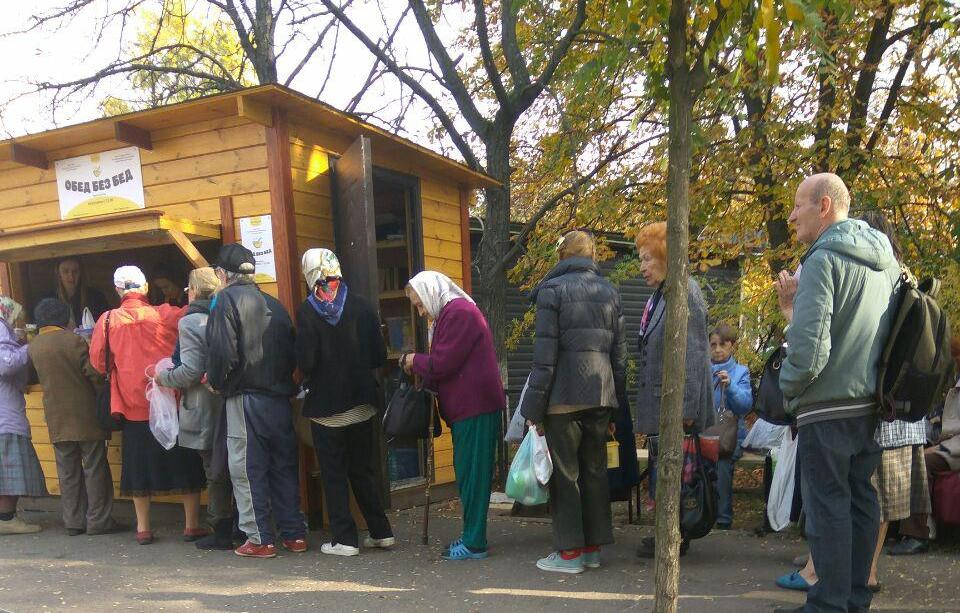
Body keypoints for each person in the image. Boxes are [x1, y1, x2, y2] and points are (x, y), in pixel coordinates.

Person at [772, 173, 899, 613]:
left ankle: (828, 605)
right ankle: (853, 601)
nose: (792, 216)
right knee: (861, 503)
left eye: (798, 205)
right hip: (869, 404)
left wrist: (788, 390)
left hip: (825, 407)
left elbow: (809, 352)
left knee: (828, 508)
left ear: (823, 206)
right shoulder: (886, 262)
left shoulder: (823, 260)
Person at [518, 229, 628, 574]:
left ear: (562, 255)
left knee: (566, 476)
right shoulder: (609, 291)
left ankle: (569, 555)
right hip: (601, 394)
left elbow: (545, 357)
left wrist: (532, 410)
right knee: (595, 472)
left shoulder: (551, 290)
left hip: (562, 398)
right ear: (592, 255)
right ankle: (593, 550)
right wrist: (617, 402)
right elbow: (620, 355)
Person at [89, 266, 206, 545]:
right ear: (144, 288)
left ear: (118, 290)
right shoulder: (166, 313)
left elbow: (99, 362)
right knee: (185, 462)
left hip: (132, 407)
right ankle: (191, 525)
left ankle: (143, 529)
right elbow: (196, 321)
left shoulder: (107, 320)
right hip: (171, 401)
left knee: (137, 467)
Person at [205, 243, 306, 559]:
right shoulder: (275, 304)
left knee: (247, 469)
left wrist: (217, 382)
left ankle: (259, 538)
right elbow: (292, 353)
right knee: (283, 467)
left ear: (222, 274)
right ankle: (294, 534)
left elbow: (222, 351)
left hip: (245, 398)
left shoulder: (225, 301)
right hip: (280, 399)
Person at [295, 248, 394, 557]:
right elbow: (378, 356)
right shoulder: (362, 305)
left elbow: (306, 361)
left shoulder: (308, 311)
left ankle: (345, 539)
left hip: (327, 409)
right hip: (363, 403)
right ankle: (381, 532)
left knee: (334, 473)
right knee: (363, 470)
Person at [401, 271, 503, 560]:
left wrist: (414, 361)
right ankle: (472, 535)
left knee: (473, 473)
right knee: (469, 471)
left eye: (420, 304)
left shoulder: (458, 313)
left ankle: (474, 542)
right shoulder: (454, 312)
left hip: (474, 405)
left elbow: (444, 362)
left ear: (430, 293)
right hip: (472, 405)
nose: (421, 312)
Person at [633, 221, 715, 559]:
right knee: (665, 471)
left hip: (675, 407)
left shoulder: (684, 292)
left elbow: (693, 355)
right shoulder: (661, 295)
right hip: (661, 403)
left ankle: (675, 534)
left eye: (647, 259)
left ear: (667, 257)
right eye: (640, 260)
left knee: (675, 473)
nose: (642, 267)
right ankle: (668, 532)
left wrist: (686, 411)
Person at [154, 267, 235, 551]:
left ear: (196, 291)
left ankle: (221, 528)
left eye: (189, 288)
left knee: (214, 467)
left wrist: (162, 376)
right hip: (230, 400)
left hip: (203, 405)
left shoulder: (190, 322)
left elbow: (190, 371)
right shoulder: (225, 313)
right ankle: (240, 526)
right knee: (233, 464)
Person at [28, 298, 123, 536]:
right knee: (95, 468)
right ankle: (98, 521)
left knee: (67, 472)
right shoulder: (74, 341)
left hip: (56, 419)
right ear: (65, 318)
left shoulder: (34, 345)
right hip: (85, 416)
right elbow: (93, 374)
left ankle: (73, 521)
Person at [889, 335, 960, 555]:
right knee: (905, 454)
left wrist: (936, 446)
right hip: (947, 442)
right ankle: (897, 528)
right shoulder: (950, 382)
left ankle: (918, 533)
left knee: (919, 463)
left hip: (955, 446)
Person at [0, 297, 47, 534]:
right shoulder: (0, 327)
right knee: (9, 468)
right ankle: (6, 518)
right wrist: (30, 346)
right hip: (5, 413)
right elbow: (6, 364)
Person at [709, 323, 753, 530]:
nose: (717, 350)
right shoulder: (702, 371)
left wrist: (731, 387)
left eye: (722, 345)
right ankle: (700, 513)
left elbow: (745, 406)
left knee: (722, 464)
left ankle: (723, 519)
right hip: (706, 434)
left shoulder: (740, 372)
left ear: (732, 346)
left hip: (730, 438)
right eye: (713, 345)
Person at [51, 258, 110, 329]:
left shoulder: (96, 297)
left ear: (80, 273)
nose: (71, 277)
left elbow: (105, 324)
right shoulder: (51, 300)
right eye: (65, 271)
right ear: (58, 273)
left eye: (75, 271)